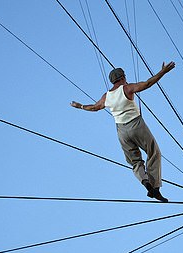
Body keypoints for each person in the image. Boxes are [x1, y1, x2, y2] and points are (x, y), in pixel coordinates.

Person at [71, 61, 176, 202]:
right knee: (154, 152)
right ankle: (155, 188)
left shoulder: (106, 96)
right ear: (122, 77)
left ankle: (145, 182)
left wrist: (80, 106)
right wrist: (162, 72)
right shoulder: (127, 88)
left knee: (135, 161)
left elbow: (95, 107)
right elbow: (147, 84)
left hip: (122, 132)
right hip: (136, 125)